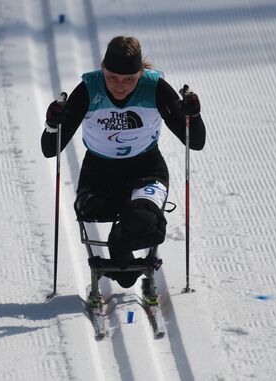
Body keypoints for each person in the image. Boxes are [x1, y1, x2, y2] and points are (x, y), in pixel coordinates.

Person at [41, 36, 206, 288]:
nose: (120, 86)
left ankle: (120, 246)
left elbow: (195, 141)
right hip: (98, 175)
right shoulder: (88, 90)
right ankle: (124, 262)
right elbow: (50, 149)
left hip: (146, 171)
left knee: (144, 222)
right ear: (103, 69)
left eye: (129, 79)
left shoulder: (156, 89)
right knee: (95, 213)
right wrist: (53, 125)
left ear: (141, 73)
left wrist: (193, 116)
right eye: (112, 77)